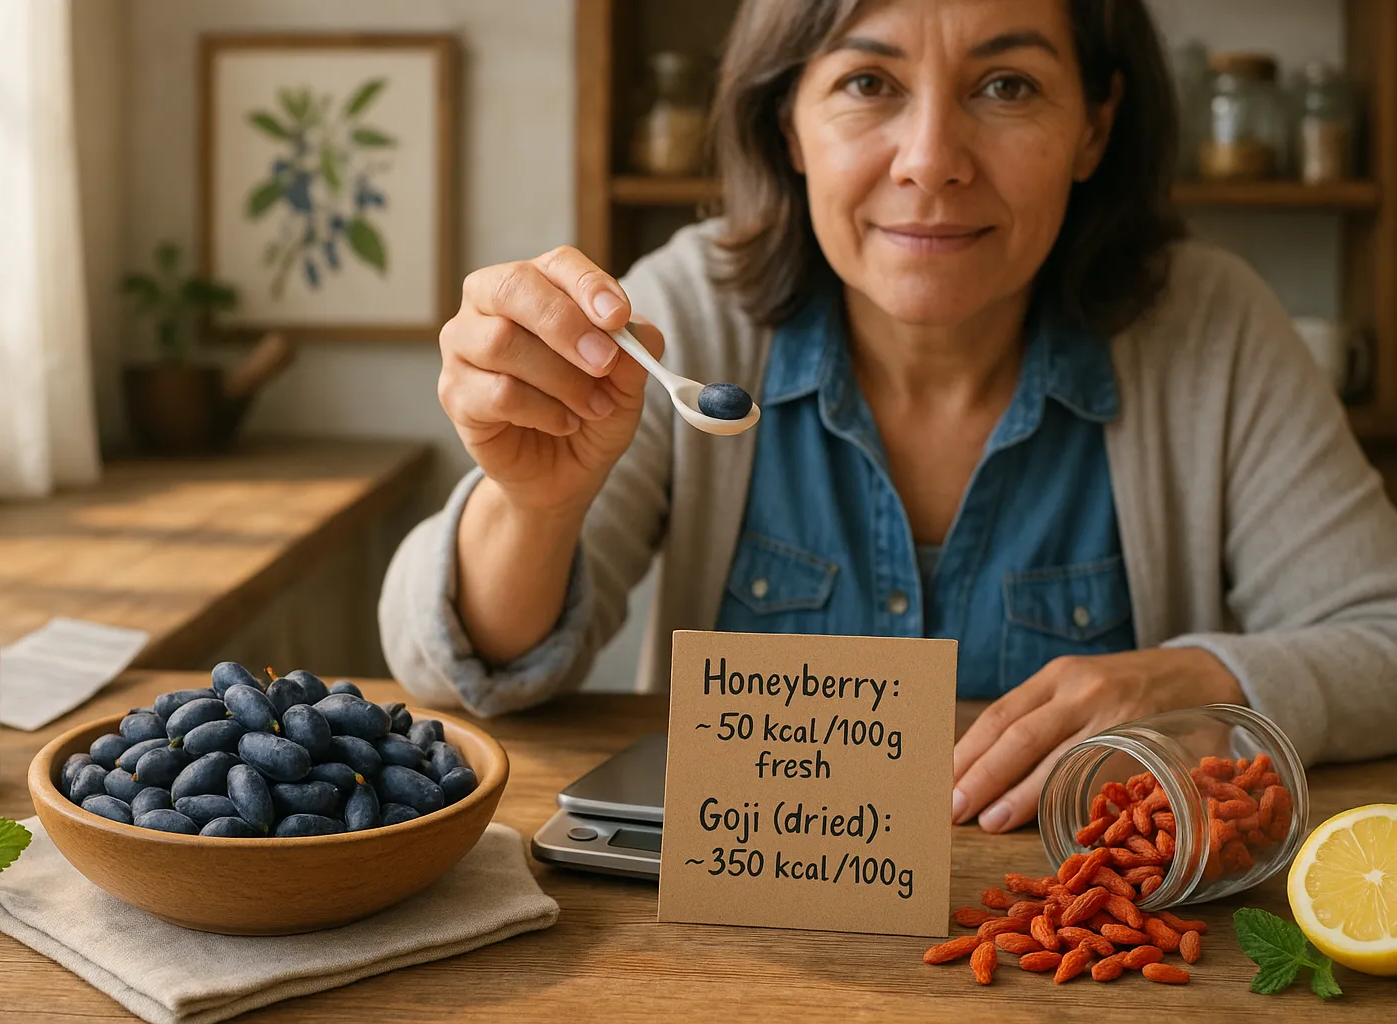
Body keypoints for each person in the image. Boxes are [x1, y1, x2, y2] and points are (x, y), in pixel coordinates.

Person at [380, 0, 1397, 833]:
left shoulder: (1211, 326)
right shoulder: (689, 312)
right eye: (868, 84)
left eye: (1007, 86)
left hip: (1092, 948)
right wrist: (532, 503)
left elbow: (1385, 638)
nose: (931, 160)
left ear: (1094, 124)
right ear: (790, 123)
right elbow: (454, 669)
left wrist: (1201, 680)